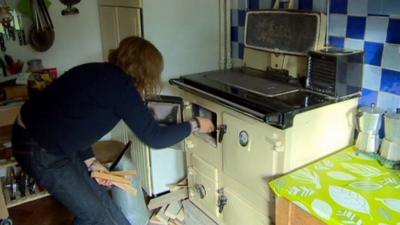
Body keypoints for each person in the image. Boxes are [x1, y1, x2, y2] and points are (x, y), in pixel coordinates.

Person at [11, 36, 215, 225]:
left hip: (45, 139)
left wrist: (91, 162)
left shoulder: (100, 73)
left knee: (106, 211)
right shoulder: (121, 88)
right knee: (99, 217)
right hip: (39, 147)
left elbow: (77, 123)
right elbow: (156, 138)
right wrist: (195, 124)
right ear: (146, 72)